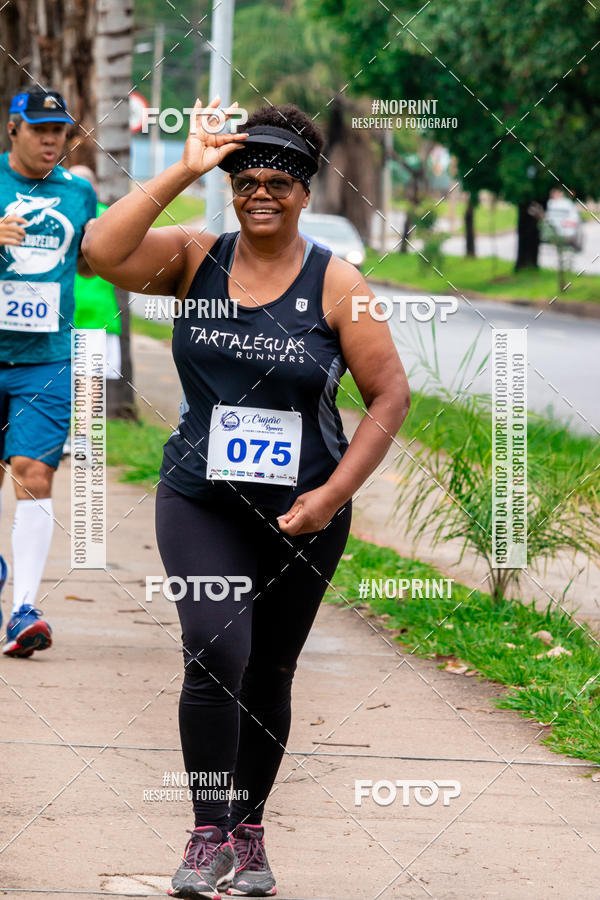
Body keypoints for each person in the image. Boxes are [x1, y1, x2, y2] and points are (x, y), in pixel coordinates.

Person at [82, 96, 410, 899]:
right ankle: (207, 834)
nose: (259, 193)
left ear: (306, 190)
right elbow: (99, 250)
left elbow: (390, 396)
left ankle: (249, 833)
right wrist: (185, 168)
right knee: (213, 650)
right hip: (201, 498)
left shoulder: (337, 283)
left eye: (278, 182)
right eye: (244, 180)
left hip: (304, 512)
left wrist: (331, 496)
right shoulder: (196, 256)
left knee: (269, 672)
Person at [0, 87, 97, 656]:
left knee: (34, 472)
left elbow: (90, 262)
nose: (50, 141)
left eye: (58, 131)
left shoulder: (79, 194)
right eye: (39, 130)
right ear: (13, 128)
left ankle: (23, 611)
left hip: (47, 358)